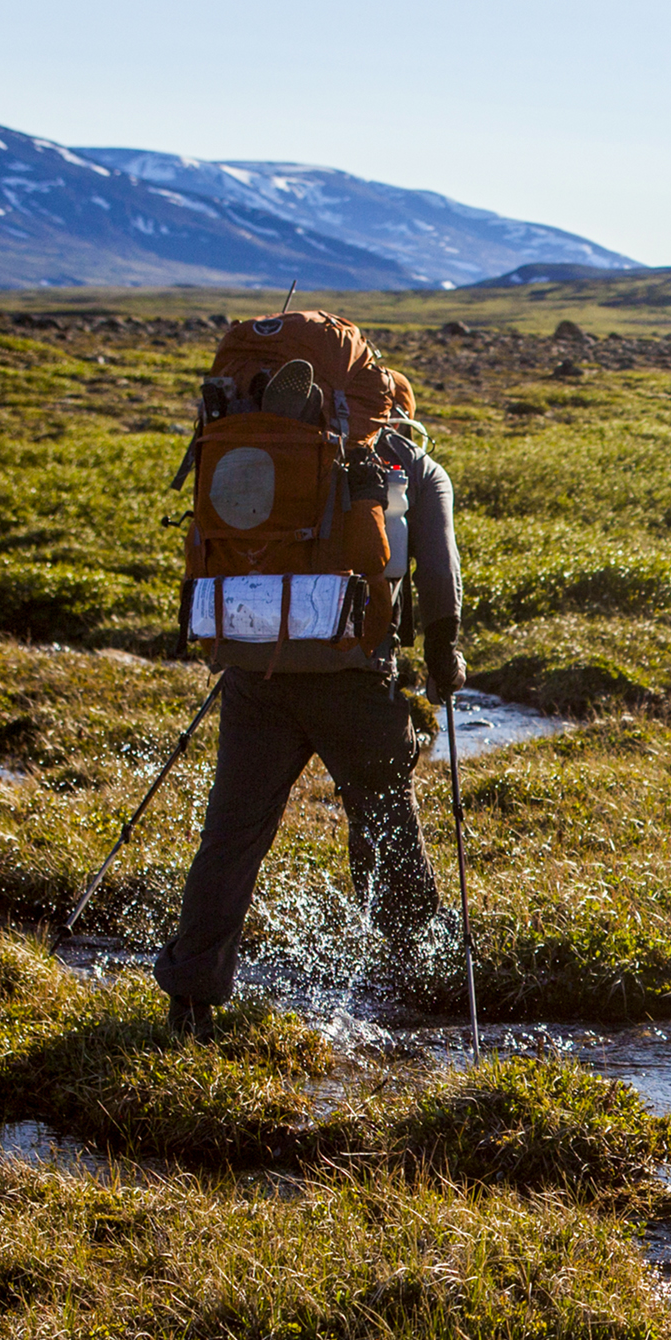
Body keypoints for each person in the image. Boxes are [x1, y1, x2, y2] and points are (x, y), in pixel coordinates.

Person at [155, 370, 463, 1036]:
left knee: (233, 835)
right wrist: (444, 659)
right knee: (383, 819)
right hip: (353, 674)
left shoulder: (272, 445)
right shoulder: (411, 461)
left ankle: (191, 999)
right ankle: (417, 976)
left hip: (253, 669)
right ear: (393, 411)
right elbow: (438, 575)